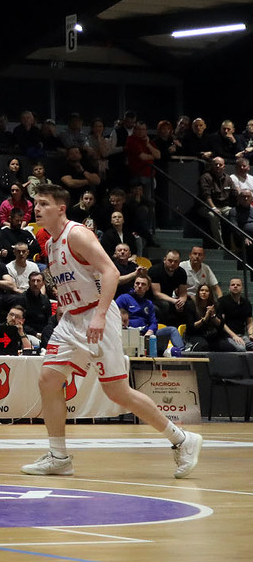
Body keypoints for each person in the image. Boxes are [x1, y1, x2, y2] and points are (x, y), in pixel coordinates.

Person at [21, 185, 202, 479]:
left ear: (61, 208)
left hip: (96, 313)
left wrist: (101, 315)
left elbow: (111, 272)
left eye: (43, 203)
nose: (37, 208)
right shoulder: (51, 244)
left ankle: (182, 439)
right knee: (48, 380)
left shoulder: (77, 234)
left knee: (117, 391)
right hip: (72, 319)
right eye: (35, 203)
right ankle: (58, 456)